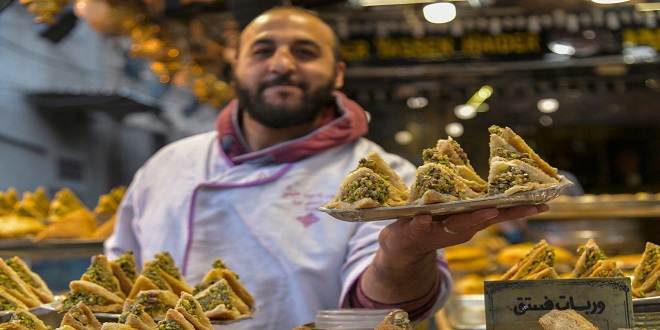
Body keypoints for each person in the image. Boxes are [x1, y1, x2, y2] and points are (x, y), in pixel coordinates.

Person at [104, 6, 549, 329]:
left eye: (304, 51)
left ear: (337, 73)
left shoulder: (390, 178)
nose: (282, 64)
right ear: (234, 66)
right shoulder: (167, 165)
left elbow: (378, 313)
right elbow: (120, 278)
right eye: (262, 51)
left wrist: (404, 253)